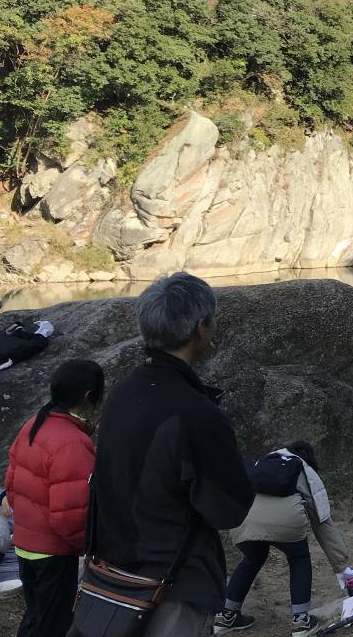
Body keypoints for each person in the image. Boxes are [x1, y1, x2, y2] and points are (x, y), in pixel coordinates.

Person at [89, 272, 255, 637]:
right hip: (173, 585)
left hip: (114, 572)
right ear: (201, 327)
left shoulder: (122, 394)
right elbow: (228, 508)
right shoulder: (194, 412)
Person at [216, 441, 353, 636]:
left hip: (243, 521)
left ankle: (226, 615)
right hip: (285, 523)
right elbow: (322, 522)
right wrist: (341, 566)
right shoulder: (304, 469)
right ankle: (301, 621)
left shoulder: (263, 462)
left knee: (252, 558)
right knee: (299, 558)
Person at [6, 359, 104, 637]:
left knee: (36, 616)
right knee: (53, 624)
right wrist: (88, 546)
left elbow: (10, 483)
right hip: (53, 552)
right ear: (88, 397)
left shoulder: (33, 424)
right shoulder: (72, 442)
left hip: (25, 544)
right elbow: (71, 516)